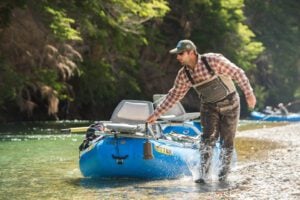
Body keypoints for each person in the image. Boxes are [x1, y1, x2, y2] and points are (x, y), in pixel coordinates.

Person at [146, 39, 256, 183]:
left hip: (230, 104)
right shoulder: (183, 74)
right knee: (207, 140)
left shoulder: (213, 61)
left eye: (181, 54)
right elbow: (174, 95)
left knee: (227, 141)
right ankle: (203, 176)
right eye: (177, 54)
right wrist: (156, 114)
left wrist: (249, 94)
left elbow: (238, 73)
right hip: (209, 107)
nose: (178, 57)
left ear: (192, 52)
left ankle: (222, 177)